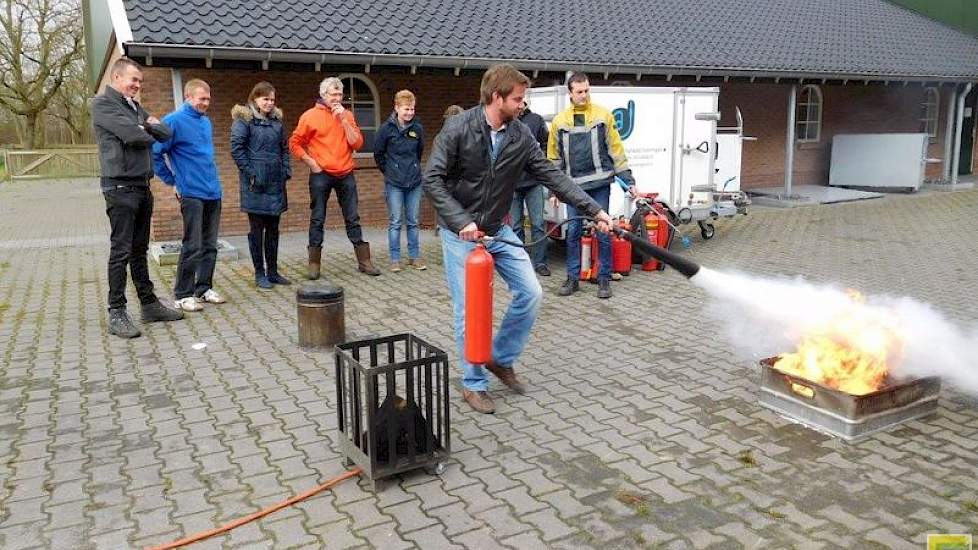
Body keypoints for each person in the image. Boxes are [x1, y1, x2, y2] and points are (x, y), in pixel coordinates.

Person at [423, 64, 613, 414]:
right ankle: (473, 383)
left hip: (498, 228)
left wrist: (594, 211)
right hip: (460, 234)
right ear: (496, 97)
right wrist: (461, 220)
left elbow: (554, 177)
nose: (522, 105)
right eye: (517, 99)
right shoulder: (458, 129)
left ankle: (500, 358)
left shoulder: (520, 135)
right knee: (469, 311)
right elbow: (432, 179)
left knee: (531, 292)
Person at [92, 57, 184, 338]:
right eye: (133, 79)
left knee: (139, 249)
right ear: (117, 78)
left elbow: (166, 133)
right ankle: (116, 311)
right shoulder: (102, 104)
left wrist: (145, 126)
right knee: (121, 250)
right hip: (120, 188)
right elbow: (133, 136)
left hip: (142, 186)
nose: (137, 85)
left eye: (140, 81)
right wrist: (146, 126)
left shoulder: (132, 106)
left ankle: (149, 304)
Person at [548, 72, 636, 299]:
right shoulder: (560, 121)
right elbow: (553, 159)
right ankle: (572, 278)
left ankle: (604, 279)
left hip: (599, 184)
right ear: (570, 93)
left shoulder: (603, 115)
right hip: (573, 189)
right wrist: (554, 190)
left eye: (587, 90)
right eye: (579, 91)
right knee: (574, 232)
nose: (584, 95)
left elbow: (616, 150)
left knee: (603, 231)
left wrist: (629, 182)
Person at [289, 77, 380, 278]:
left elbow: (357, 144)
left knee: (353, 217)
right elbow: (294, 142)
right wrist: (310, 162)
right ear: (323, 95)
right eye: (333, 94)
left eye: (340, 94)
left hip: (345, 172)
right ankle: (314, 263)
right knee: (318, 218)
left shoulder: (347, 114)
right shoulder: (310, 116)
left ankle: (364, 261)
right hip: (321, 174)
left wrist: (344, 120)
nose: (337, 98)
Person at [152, 79, 227, 311]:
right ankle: (183, 294)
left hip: (212, 191)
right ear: (188, 97)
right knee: (192, 245)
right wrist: (172, 181)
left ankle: (203, 289)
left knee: (210, 245)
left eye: (208, 98)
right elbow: (155, 152)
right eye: (201, 98)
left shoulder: (206, 122)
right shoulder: (173, 121)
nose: (206, 103)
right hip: (191, 192)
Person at [230, 82, 293, 290]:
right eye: (265, 99)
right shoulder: (243, 121)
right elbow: (237, 150)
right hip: (255, 185)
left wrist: (285, 170)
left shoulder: (277, 123)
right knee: (257, 230)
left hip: (275, 182)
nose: (269, 103)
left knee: (273, 229)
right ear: (255, 98)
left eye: (272, 99)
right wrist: (251, 174)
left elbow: (285, 149)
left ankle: (273, 272)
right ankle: (259, 273)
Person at [374, 90, 426, 272]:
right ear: (397, 108)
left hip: (414, 182)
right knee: (395, 222)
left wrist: (412, 168)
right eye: (406, 109)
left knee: (413, 221)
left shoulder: (417, 129)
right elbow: (378, 154)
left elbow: (419, 152)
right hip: (394, 183)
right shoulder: (386, 129)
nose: (410, 113)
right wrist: (389, 171)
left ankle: (414, 257)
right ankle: (395, 259)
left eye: (412, 109)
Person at [509, 100, 551, 276]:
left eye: (522, 100)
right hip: (511, 183)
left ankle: (540, 262)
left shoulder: (536, 120)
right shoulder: (506, 120)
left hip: (534, 182)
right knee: (515, 225)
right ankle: (521, 263)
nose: (520, 104)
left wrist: (540, 164)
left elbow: (546, 143)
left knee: (538, 224)